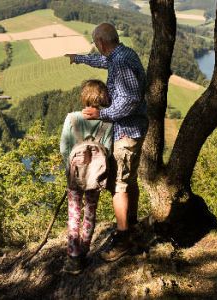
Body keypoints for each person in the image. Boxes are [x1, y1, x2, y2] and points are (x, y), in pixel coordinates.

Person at [65, 22, 147, 262]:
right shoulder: (121, 54)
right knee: (128, 181)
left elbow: (130, 100)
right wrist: (79, 58)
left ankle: (124, 239)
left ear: (101, 42)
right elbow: (103, 62)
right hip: (134, 129)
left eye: (96, 44)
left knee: (119, 186)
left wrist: (102, 114)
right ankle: (130, 224)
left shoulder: (120, 61)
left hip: (127, 132)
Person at [60, 79, 113, 274]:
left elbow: (64, 148)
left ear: (84, 97)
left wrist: (72, 169)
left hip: (75, 176)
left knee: (74, 213)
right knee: (90, 212)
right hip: (95, 177)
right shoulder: (107, 122)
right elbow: (107, 151)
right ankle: (84, 252)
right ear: (103, 97)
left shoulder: (72, 118)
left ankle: (73, 258)